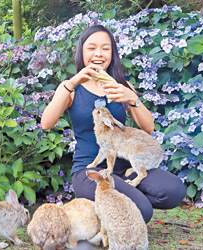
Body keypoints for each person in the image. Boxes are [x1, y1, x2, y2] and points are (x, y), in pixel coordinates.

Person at [41, 24, 186, 223]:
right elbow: (46, 123)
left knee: (174, 190)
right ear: (81, 52)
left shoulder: (122, 86)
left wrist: (132, 98)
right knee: (140, 211)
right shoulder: (71, 88)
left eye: (105, 48)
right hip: (90, 171)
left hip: (125, 167)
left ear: (113, 53)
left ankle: (108, 209)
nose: (98, 54)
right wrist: (71, 83)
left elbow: (148, 128)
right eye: (91, 48)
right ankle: (102, 210)